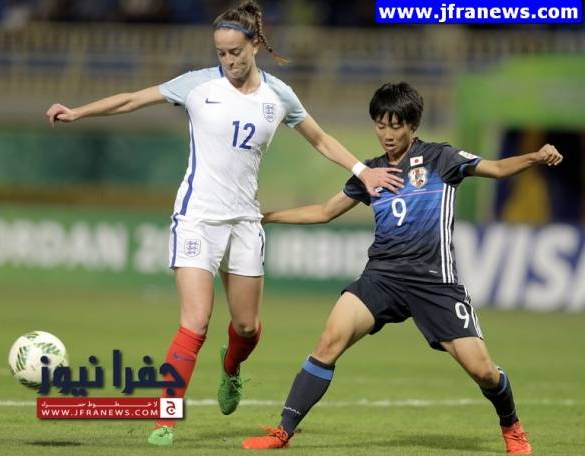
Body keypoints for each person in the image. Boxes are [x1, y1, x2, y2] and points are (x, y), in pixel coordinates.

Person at [45, 0, 403, 447]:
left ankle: (230, 368)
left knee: (247, 327)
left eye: (235, 51)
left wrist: (362, 171)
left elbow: (320, 139)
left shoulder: (278, 95)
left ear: (255, 45)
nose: (229, 60)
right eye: (221, 53)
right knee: (195, 322)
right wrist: (78, 112)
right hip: (197, 218)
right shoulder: (197, 85)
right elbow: (134, 98)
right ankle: (165, 418)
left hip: (245, 222)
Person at [242, 81, 563, 454]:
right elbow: (325, 212)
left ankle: (512, 426)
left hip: (434, 282)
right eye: (380, 125)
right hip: (383, 277)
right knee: (329, 341)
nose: (387, 135)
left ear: (412, 125)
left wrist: (535, 157)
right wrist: (266, 216)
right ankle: (283, 431)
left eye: (395, 126)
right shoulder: (370, 172)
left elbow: (495, 167)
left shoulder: (440, 158)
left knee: (483, 371)